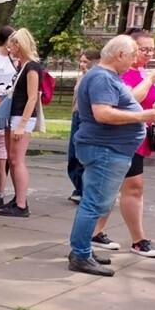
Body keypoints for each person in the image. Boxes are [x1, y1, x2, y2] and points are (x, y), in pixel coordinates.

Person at [67, 34, 155, 276]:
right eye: (133, 55)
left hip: (109, 149)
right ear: (120, 55)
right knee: (93, 204)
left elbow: (123, 103)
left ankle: (82, 251)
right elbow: (103, 114)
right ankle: (80, 254)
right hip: (105, 149)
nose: (134, 61)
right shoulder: (102, 77)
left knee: (96, 202)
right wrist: (141, 117)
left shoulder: (107, 76)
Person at [89, 29, 155, 257]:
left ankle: (99, 233)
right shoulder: (118, 73)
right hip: (120, 138)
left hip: (137, 137)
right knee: (119, 188)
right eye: (143, 49)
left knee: (125, 188)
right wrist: (152, 80)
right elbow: (129, 100)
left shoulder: (143, 71)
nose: (147, 54)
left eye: (151, 49)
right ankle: (136, 239)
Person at [0, 29, 43, 218]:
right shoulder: (22, 66)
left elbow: (32, 98)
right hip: (15, 115)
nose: (9, 49)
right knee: (13, 160)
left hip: (21, 117)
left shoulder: (32, 67)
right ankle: (18, 199)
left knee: (17, 160)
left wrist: (22, 125)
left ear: (19, 45)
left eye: (11, 45)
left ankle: (21, 203)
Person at [66, 49, 101, 203]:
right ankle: (80, 188)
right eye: (80, 61)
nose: (81, 64)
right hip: (77, 116)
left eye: (85, 61)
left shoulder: (96, 77)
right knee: (73, 156)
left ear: (96, 61)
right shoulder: (82, 77)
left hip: (86, 118)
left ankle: (83, 191)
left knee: (81, 156)